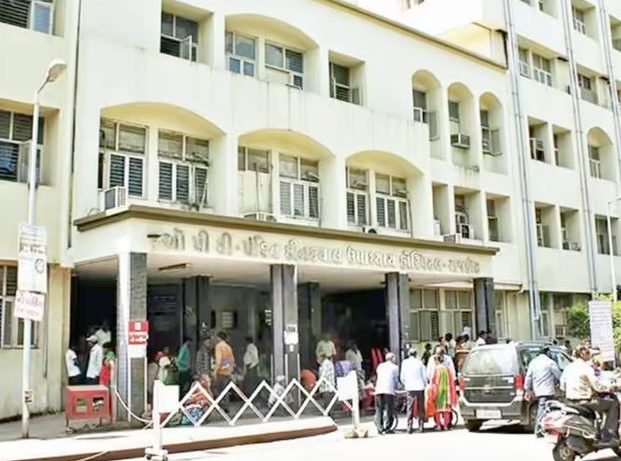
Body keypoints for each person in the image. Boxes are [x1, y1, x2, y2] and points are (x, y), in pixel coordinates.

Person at [561, 345, 620, 444]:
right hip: (585, 401)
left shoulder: (569, 367)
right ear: (582, 354)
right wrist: (611, 388)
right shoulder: (586, 368)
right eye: (588, 353)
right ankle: (609, 435)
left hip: (569, 401)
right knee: (613, 404)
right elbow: (598, 387)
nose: (590, 356)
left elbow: (562, 386)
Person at [524, 346, 561, 437]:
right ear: (547, 353)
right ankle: (539, 430)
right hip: (547, 390)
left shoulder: (533, 362)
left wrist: (527, 390)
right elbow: (558, 375)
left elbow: (528, 377)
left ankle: (546, 429)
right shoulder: (550, 362)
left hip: (537, 391)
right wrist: (558, 383)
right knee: (545, 411)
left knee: (542, 409)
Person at [400, 349, 428, 433]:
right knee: (421, 407)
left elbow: (402, 377)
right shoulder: (420, 362)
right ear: (416, 354)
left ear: (408, 354)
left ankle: (409, 427)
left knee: (410, 407)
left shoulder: (405, 363)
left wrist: (405, 384)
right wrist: (425, 384)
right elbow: (424, 376)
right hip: (420, 387)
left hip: (410, 387)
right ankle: (421, 426)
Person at [428, 354, 457, 431]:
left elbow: (432, 379)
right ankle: (446, 426)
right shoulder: (447, 369)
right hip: (447, 392)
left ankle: (438, 425)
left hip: (438, 392)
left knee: (437, 410)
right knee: (446, 410)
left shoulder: (436, 369)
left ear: (437, 361)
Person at [374, 352, 400, 435]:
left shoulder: (380, 366)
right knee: (389, 409)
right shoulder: (395, 367)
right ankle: (388, 428)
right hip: (388, 390)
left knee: (379, 409)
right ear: (392, 359)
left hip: (379, 389)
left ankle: (380, 428)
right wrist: (398, 388)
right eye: (394, 358)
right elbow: (395, 380)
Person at [214, 331, 236, 411]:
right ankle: (226, 406)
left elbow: (219, 360)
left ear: (218, 338)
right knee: (226, 390)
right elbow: (232, 360)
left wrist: (215, 371)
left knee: (220, 390)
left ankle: (222, 407)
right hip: (227, 372)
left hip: (221, 372)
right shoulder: (228, 347)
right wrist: (230, 370)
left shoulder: (219, 346)